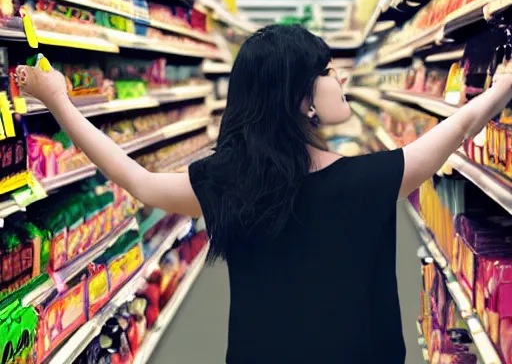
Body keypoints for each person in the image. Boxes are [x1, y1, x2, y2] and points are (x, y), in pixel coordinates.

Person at [16, 24, 512, 364]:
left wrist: (58, 99)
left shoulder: (231, 184)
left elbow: (136, 179)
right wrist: (504, 85)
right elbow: (464, 121)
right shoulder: (375, 179)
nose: (339, 80)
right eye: (327, 71)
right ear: (302, 100)